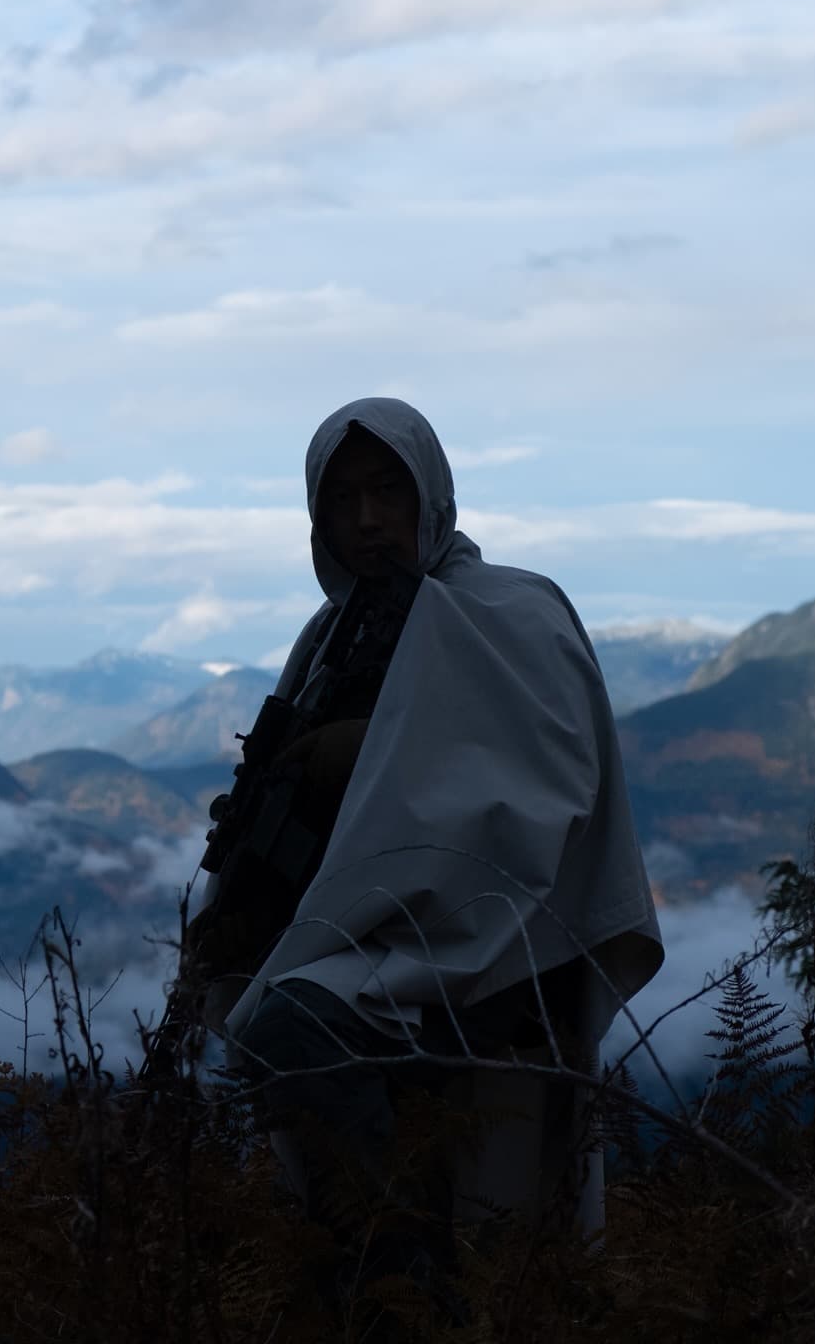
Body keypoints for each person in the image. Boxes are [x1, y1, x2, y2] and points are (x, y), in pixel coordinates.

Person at [198, 397, 665, 1323]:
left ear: (432, 497)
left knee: (294, 1028)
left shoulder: (512, 613)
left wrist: (372, 751)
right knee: (268, 1017)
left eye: (387, 492)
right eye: (343, 499)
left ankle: (401, 1297)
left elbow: (545, 783)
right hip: (380, 938)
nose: (368, 519)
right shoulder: (331, 637)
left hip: (498, 947)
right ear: (316, 516)